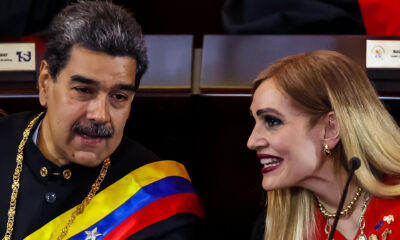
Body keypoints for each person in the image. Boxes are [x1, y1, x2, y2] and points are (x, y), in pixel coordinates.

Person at [0, 1, 203, 239]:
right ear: (45, 83)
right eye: (84, 90)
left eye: (118, 96)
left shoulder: (159, 204)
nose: (100, 115)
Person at [247, 50, 400, 240]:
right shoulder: (271, 229)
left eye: (272, 121)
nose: (251, 142)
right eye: (254, 121)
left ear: (330, 129)